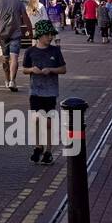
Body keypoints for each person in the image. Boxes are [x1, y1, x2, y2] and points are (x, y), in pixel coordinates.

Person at [21, 20, 66, 165]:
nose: (50, 37)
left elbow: (63, 69)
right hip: (35, 91)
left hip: (50, 92)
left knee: (47, 122)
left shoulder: (55, 51)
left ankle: (48, 151)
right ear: (39, 35)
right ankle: (38, 147)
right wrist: (32, 70)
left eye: (51, 34)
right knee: (36, 119)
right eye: (47, 35)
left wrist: (51, 70)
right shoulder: (30, 51)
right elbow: (24, 69)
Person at [0, 0, 29, 93]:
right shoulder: (18, 2)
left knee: (5, 58)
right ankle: (12, 80)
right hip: (15, 34)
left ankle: (7, 80)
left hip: (2, 35)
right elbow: (25, 17)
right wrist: (29, 29)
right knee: (15, 58)